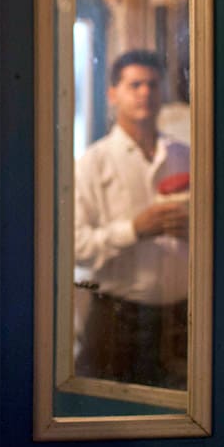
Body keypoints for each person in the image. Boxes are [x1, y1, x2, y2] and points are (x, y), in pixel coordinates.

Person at [73, 49, 190, 389]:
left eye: (153, 84)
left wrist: (195, 231)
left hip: (180, 318)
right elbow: (75, 246)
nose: (145, 93)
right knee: (105, 422)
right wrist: (135, 230)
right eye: (134, 84)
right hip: (117, 319)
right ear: (112, 94)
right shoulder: (93, 163)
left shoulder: (184, 156)